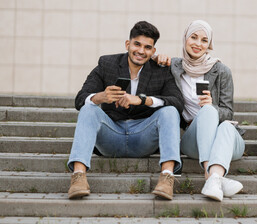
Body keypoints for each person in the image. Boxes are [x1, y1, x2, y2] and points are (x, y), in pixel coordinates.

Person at [67, 21, 183, 200]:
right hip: (111, 135)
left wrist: (142, 100)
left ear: (153, 51)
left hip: (143, 137)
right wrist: (100, 97)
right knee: (88, 108)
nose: (141, 51)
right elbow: (80, 98)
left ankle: (167, 177)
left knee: (170, 111)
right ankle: (78, 177)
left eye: (147, 47)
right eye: (137, 44)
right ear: (128, 44)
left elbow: (177, 102)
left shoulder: (161, 70)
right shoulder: (107, 63)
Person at [155, 20, 245, 201]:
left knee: (220, 120)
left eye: (204, 40)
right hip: (193, 139)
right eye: (194, 37)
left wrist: (211, 106)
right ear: (185, 39)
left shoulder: (222, 71)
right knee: (207, 112)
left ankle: (211, 177)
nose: (198, 44)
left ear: (209, 45)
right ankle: (214, 177)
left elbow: (228, 113)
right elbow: (145, 59)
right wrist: (157, 57)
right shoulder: (173, 67)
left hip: (226, 140)